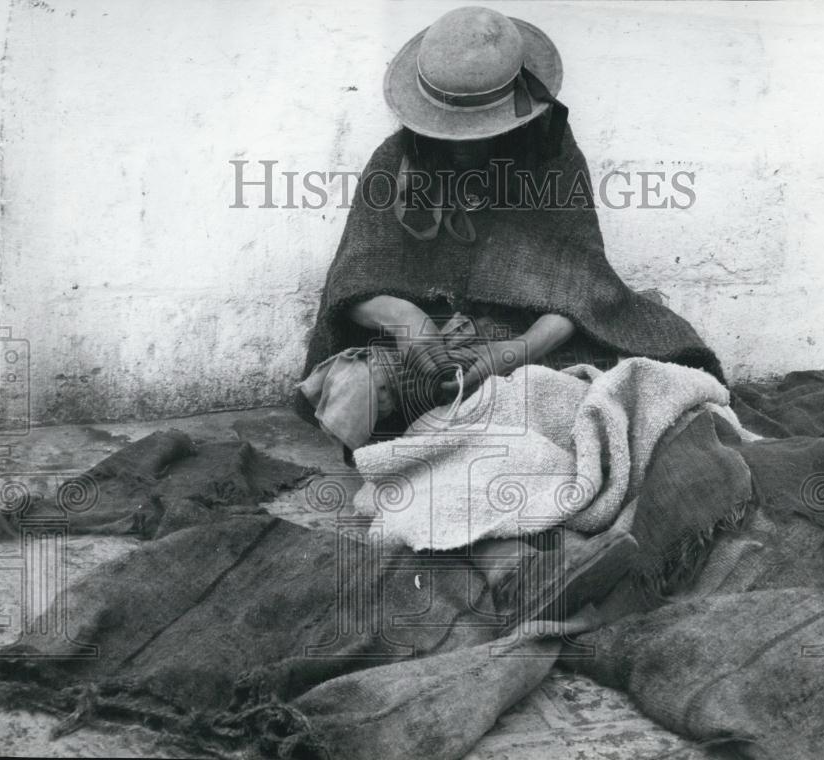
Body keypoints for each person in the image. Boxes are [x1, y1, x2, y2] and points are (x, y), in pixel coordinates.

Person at [298, 6, 722, 456]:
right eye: (451, 130)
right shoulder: (394, 163)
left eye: (480, 130)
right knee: (352, 390)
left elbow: (580, 289)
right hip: (425, 349)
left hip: (526, 341)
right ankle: (473, 420)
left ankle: (479, 423)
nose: (464, 146)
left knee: (646, 370)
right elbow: (352, 284)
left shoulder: (551, 155)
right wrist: (408, 321)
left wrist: (512, 353)